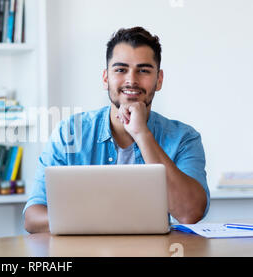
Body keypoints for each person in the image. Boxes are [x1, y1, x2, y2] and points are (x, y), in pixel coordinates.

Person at [23, 27, 210, 234]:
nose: (131, 80)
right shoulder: (70, 132)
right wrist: (102, 219)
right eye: (120, 70)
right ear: (106, 78)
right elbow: (33, 218)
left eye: (144, 70)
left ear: (159, 80)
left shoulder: (184, 138)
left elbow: (190, 213)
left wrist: (142, 134)